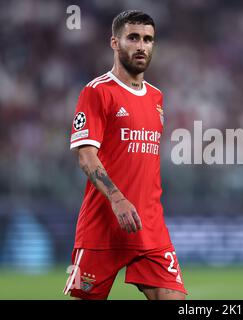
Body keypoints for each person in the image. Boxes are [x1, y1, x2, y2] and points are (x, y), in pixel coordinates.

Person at [63, 10, 186, 300]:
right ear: (115, 43)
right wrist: (117, 199)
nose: (141, 46)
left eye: (148, 39)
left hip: (149, 228)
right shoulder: (97, 92)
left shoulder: (157, 97)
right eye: (133, 38)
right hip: (102, 227)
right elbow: (86, 156)